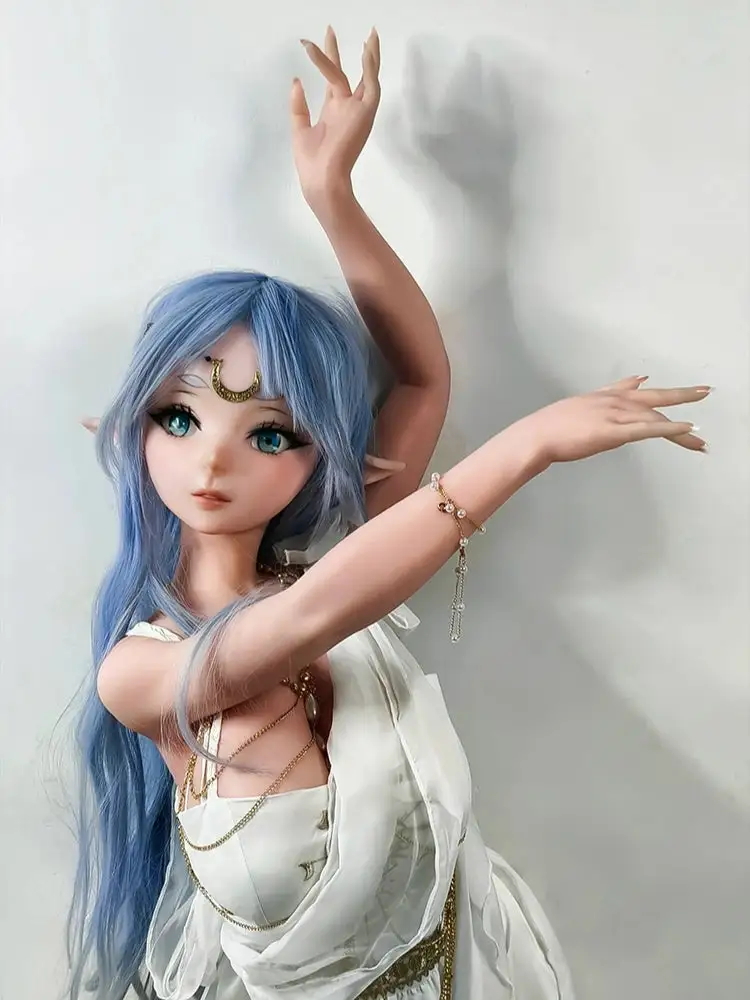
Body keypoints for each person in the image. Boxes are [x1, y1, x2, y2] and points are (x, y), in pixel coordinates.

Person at [67, 27, 710, 1000]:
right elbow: (313, 617)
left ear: (319, 453)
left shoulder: (333, 556)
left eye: (271, 432)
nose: (213, 460)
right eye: (179, 417)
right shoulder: (142, 671)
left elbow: (419, 379)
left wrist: (335, 195)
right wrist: (524, 445)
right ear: (127, 428)